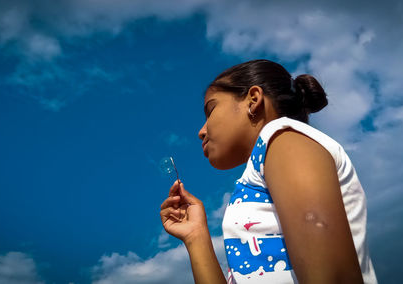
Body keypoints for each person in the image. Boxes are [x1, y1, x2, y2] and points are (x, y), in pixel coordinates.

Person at [159, 59, 377, 284]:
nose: (201, 131)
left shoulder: (284, 140)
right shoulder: (265, 164)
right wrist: (196, 237)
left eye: (210, 109)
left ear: (253, 100)